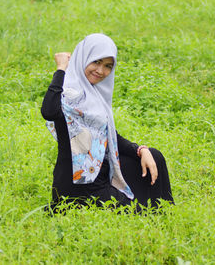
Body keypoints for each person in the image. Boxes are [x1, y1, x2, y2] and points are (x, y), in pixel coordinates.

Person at [41, 33, 173, 212]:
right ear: (83, 58)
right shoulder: (68, 93)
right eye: (96, 62)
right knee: (140, 214)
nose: (101, 71)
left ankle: (164, 212)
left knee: (154, 156)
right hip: (80, 185)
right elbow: (49, 112)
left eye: (108, 66)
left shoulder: (95, 96)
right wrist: (61, 69)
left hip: (102, 175)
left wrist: (140, 150)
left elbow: (109, 136)